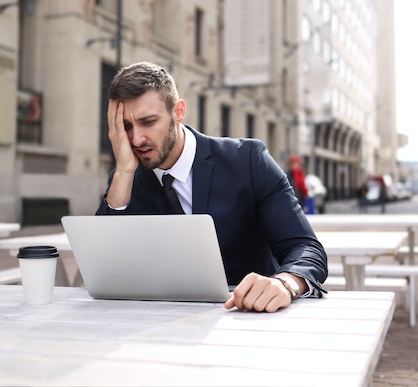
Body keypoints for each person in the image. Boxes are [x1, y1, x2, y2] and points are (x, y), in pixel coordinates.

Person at [96, 62, 328, 313]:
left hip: (246, 319)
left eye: (148, 122)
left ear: (179, 112)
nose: (136, 139)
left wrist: (285, 283)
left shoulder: (248, 160)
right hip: (156, 325)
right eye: (126, 127)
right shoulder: (126, 178)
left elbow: (306, 248)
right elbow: (103, 265)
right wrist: (123, 171)